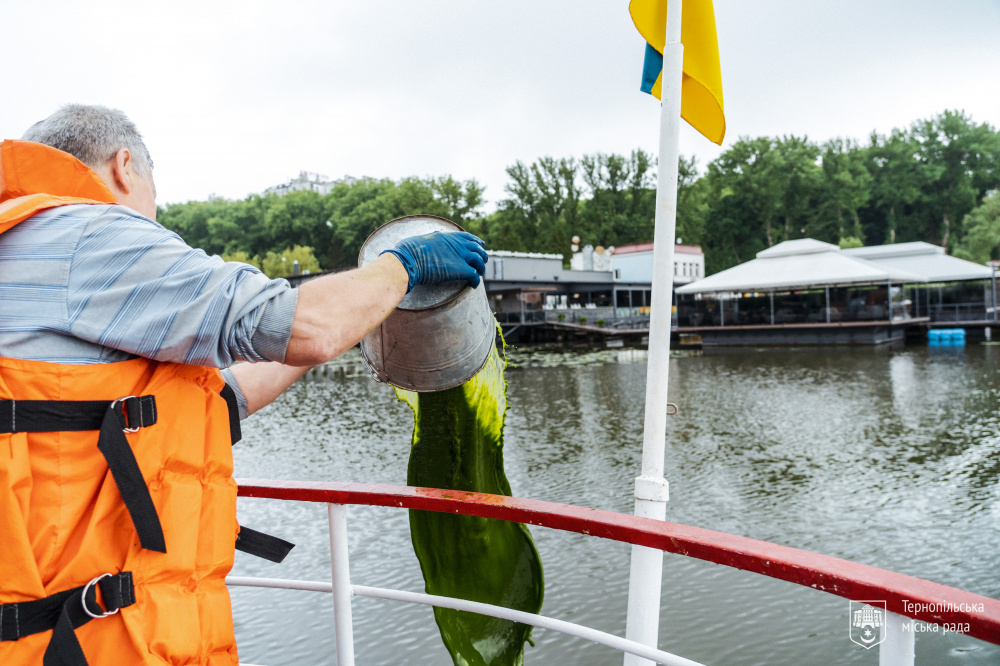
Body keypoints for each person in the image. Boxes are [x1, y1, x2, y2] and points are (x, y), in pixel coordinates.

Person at [0, 104, 488, 665]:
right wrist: (402, 267)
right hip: (94, 645)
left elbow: (206, 403)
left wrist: (359, 317)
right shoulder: (91, 234)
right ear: (123, 167)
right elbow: (300, 323)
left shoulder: (21, 239)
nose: (153, 216)